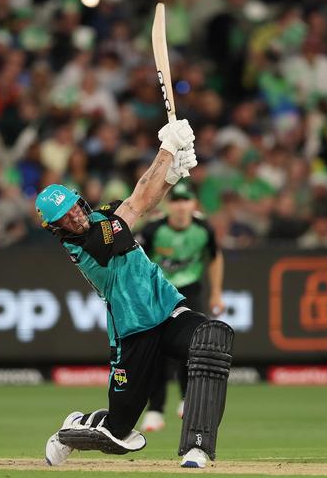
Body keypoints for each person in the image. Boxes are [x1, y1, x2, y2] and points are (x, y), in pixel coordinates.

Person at [36, 119, 234, 469]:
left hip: (167, 310)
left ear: (80, 201)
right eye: (65, 218)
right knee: (120, 431)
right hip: (133, 332)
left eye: (74, 209)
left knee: (211, 340)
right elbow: (139, 201)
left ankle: (197, 447)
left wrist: (174, 173)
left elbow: (144, 198)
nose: (76, 219)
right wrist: (167, 150)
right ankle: (74, 429)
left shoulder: (101, 218)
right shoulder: (86, 247)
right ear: (57, 228)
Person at [136, 181, 225, 432]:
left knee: (193, 348)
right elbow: (134, 260)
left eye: (186, 200)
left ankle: (187, 400)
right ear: (168, 205)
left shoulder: (203, 229)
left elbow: (215, 258)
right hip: (159, 293)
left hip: (190, 291)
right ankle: (155, 410)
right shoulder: (154, 229)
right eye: (175, 201)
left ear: (194, 204)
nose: (180, 206)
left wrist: (216, 293)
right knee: (156, 352)